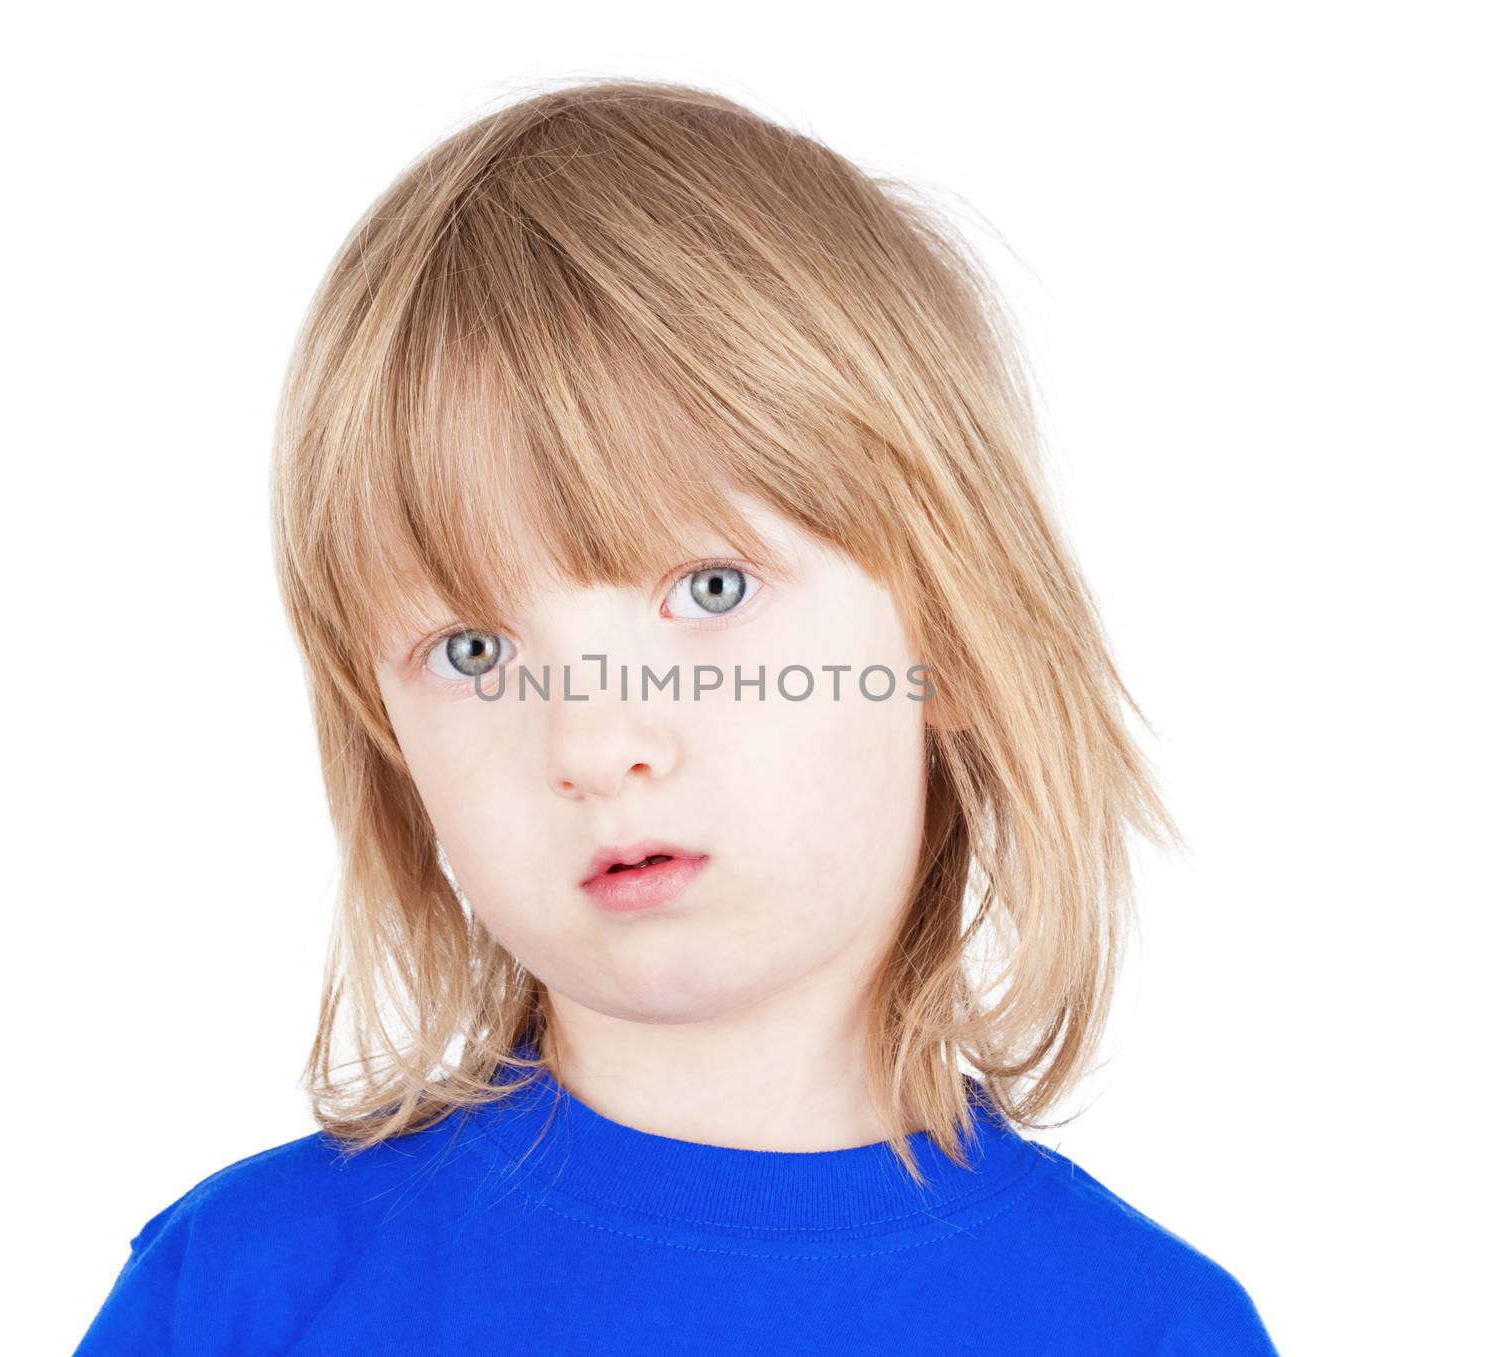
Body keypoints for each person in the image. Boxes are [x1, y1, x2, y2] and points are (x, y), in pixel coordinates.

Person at [74, 76, 1280, 1354]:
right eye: (473, 648)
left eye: (709, 590)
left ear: (955, 638)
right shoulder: (243, 1296)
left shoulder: (1148, 1327)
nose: (593, 743)